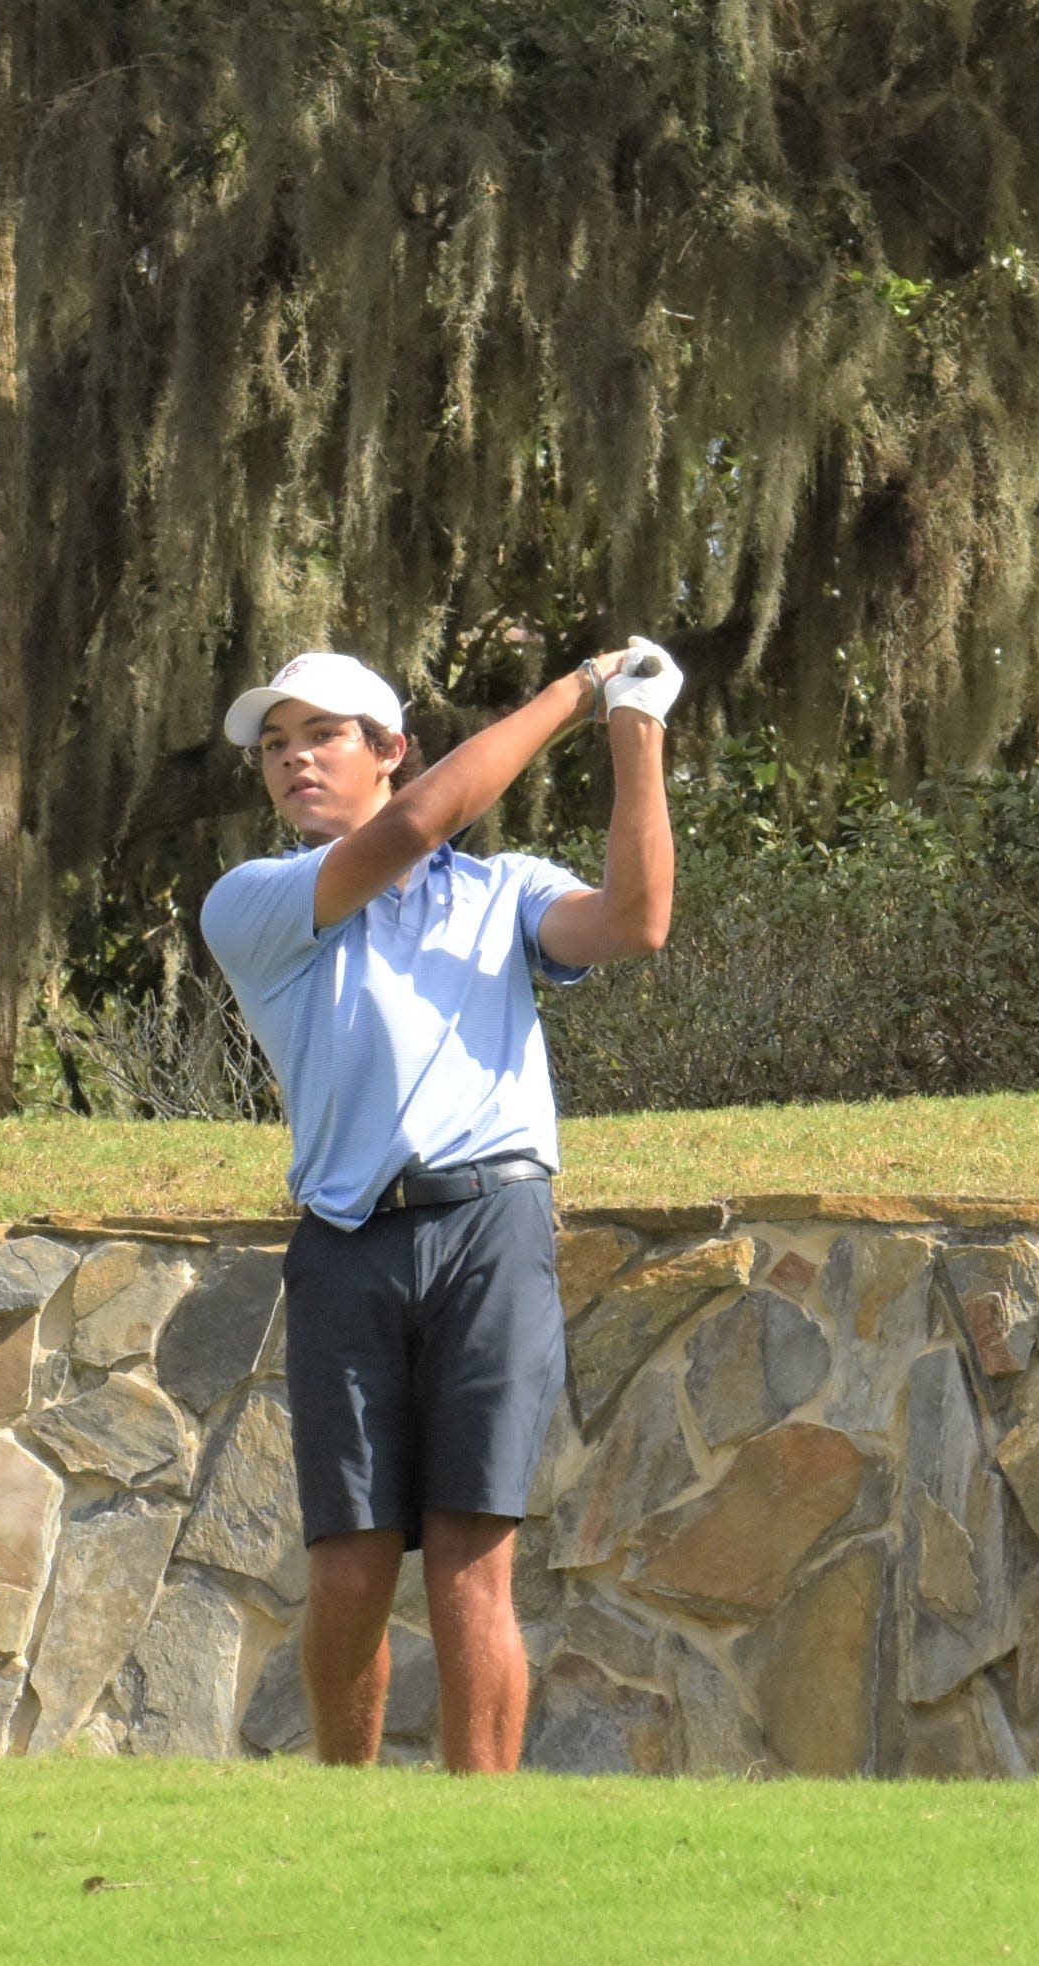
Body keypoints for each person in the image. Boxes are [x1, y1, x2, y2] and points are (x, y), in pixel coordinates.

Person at [201, 642, 680, 1773]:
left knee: (470, 1558)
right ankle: (347, 1793)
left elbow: (635, 920)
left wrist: (634, 725)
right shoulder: (255, 901)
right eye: (274, 745)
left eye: (321, 735)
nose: (291, 760)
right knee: (351, 1567)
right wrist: (569, 693)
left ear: (388, 750)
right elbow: (412, 829)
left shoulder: (504, 891)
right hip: (346, 1240)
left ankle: (475, 1825)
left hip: (491, 1224)